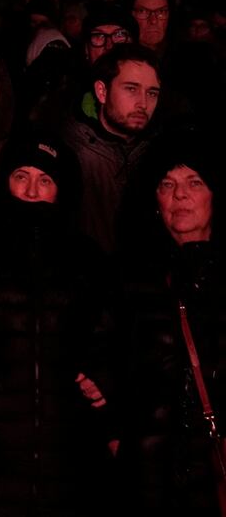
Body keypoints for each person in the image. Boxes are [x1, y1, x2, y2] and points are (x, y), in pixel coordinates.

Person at [0, 134, 114, 516]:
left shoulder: (87, 259)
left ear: (61, 189)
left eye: (45, 179)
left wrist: (104, 375)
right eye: (21, 175)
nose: (32, 190)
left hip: (69, 462)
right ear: (5, 181)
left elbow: (113, 338)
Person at [112, 127, 226, 514]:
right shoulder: (130, 282)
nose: (180, 195)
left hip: (217, 471)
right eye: (167, 183)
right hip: (150, 479)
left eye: (194, 182)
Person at [62, 43, 162, 253]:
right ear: (101, 91)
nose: (143, 103)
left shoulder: (161, 152)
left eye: (152, 93)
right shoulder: (69, 152)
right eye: (131, 89)